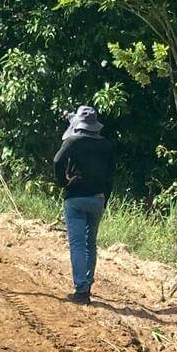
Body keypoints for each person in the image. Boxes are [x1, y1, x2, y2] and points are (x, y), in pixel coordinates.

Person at [53, 105, 115, 304]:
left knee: (78, 244)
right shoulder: (107, 145)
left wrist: (63, 182)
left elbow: (57, 161)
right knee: (90, 243)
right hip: (98, 198)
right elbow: (110, 175)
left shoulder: (72, 141)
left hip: (75, 197)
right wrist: (105, 198)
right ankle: (87, 283)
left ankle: (81, 290)